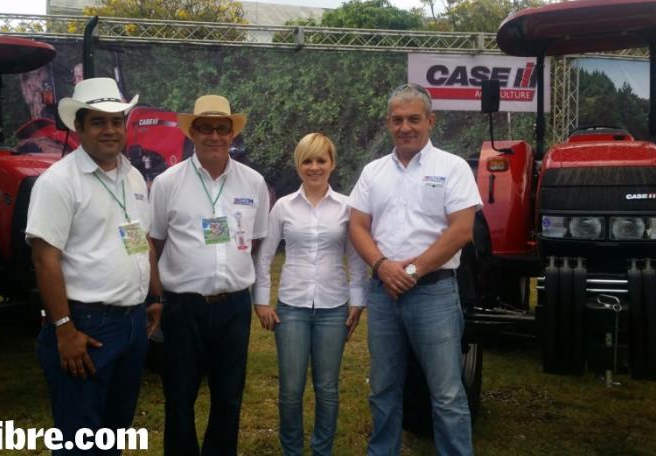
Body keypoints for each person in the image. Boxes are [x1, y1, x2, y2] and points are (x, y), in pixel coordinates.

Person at [26, 77, 162, 455]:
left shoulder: (132, 176)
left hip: (133, 324)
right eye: (99, 121)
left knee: (113, 435)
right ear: (80, 127)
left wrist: (154, 295)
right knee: (79, 442)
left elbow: (139, 237)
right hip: (86, 325)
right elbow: (44, 258)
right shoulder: (58, 182)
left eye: (117, 120)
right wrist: (64, 330)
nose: (110, 129)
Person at [348, 83, 482, 456]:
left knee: (447, 391)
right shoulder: (373, 171)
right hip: (384, 292)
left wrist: (411, 270)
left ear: (430, 121)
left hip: (434, 292)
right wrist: (381, 266)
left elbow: (462, 230)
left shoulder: (452, 167)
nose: (405, 127)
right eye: (397, 120)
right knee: (383, 386)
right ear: (388, 123)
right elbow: (357, 226)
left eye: (413, 119)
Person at [148, 94, 270, 455]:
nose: (214, 135)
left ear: (232, 134)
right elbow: (152, 245)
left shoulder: (254, 183)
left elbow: (259, 241)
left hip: (233, 308)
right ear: (193, 133)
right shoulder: (168, 183)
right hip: (183, 308)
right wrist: (155, 298)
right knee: (179, 396)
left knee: (229, 397)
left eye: (222, 128)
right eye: (205, 128)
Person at [253, 133, 367, 456]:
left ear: (332, 163)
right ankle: (292, 451)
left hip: (334, 308)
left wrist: (358, 300)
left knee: (327, 389)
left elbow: (357, 257)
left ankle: (322, 450)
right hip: (291, 309)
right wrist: (261, 301)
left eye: (321, 160)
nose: (314, 167)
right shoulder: (283, 207)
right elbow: (264, 256)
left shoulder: (347, 207)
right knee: (290, 390)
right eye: (307, 160)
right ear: (298, 164)